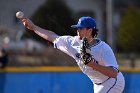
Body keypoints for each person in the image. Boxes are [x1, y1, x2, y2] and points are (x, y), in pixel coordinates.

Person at [22, 16, 125, 93]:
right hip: (97, 83)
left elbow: (113, 73)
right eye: (77, 28)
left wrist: (92, 65)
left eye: (81, 28)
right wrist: (34, 27)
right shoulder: (72, 42)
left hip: (113, 82)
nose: (77, 31)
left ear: (90, 30)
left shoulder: (103, 49)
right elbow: (52, 36)